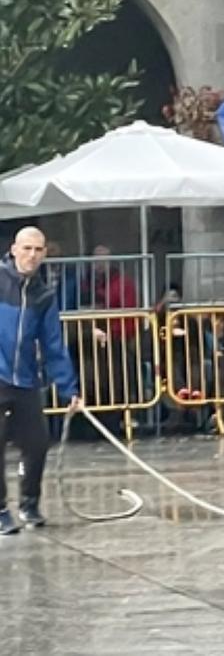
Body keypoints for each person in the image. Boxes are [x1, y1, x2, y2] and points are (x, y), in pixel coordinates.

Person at [1, 227, 83, 535]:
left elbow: (53, 345)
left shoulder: (44, 296)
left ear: (44, 253)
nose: (31, 255)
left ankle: (29, 501)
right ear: (13, 249)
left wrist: (69, 388)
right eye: (26, 249)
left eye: (37, 250)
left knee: (36, 443)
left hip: (24, 378)